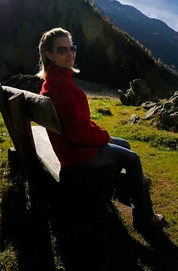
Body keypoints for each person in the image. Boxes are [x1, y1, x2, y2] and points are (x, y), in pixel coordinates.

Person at [37, 27, 165, 228]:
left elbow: (78, 122)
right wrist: (103, 137)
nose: (70, 54)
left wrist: (102, 134)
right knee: (133, 159)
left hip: (69, 147)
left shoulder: (55, 80)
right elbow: (77, 132)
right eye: (62, 50)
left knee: (125, 144)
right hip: (76, 154)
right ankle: (144, 216)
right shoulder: (62, 86)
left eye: (72, 48)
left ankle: (116, 194)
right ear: (49, 54)